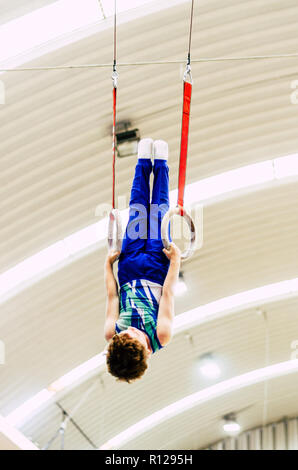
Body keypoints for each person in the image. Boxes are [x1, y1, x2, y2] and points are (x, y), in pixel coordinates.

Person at [104, 138, 181, 382]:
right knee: (159, 211)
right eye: (135, 335)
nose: (130, 329)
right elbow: (168, 294)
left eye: (124, 333)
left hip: (128, 269)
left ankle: (142, 162)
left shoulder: (111, 333)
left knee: (137, 209)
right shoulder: (162, 335)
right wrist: (176, 261)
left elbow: (112, 295)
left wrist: (107, 265)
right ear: (147, 350)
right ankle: (160, 164)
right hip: (157, 270)